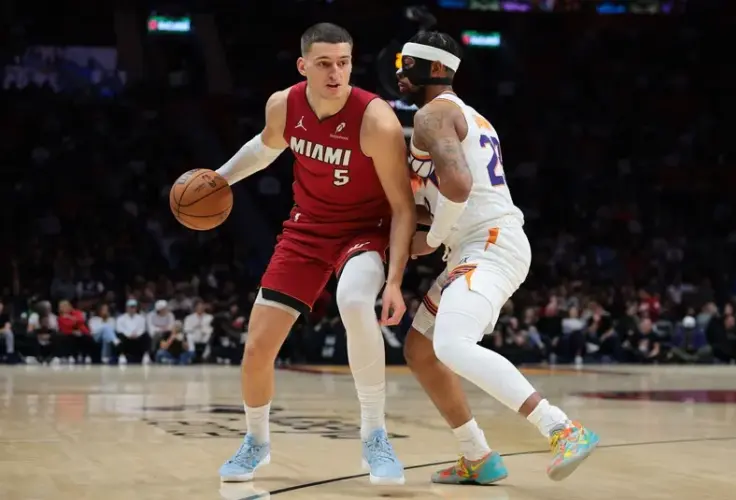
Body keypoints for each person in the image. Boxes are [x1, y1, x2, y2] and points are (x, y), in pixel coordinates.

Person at [215, 23, 416, 485]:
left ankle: (374, 437)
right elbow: (265, 149)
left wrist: (395, 282)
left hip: (365, 231)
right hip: (306, 230)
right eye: (324, 63)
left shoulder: (377, 119)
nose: (335, 73)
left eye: (343, 63)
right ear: (303, 66)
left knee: (351, 301)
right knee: (257, 346)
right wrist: (220, 178)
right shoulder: (284, 104)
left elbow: (403, 206)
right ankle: (256, 443)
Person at [398, 31, 599, 485]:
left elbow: (459, 187)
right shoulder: (465, 117)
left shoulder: (434, 113)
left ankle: (563, 428)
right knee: (421, 349)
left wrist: (432, 239)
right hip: (473, 244)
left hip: (488, 241)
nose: (397, 72)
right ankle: (477, 455)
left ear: (433, 69)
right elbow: (443, 196)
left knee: (450, 344)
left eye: (404, 63)